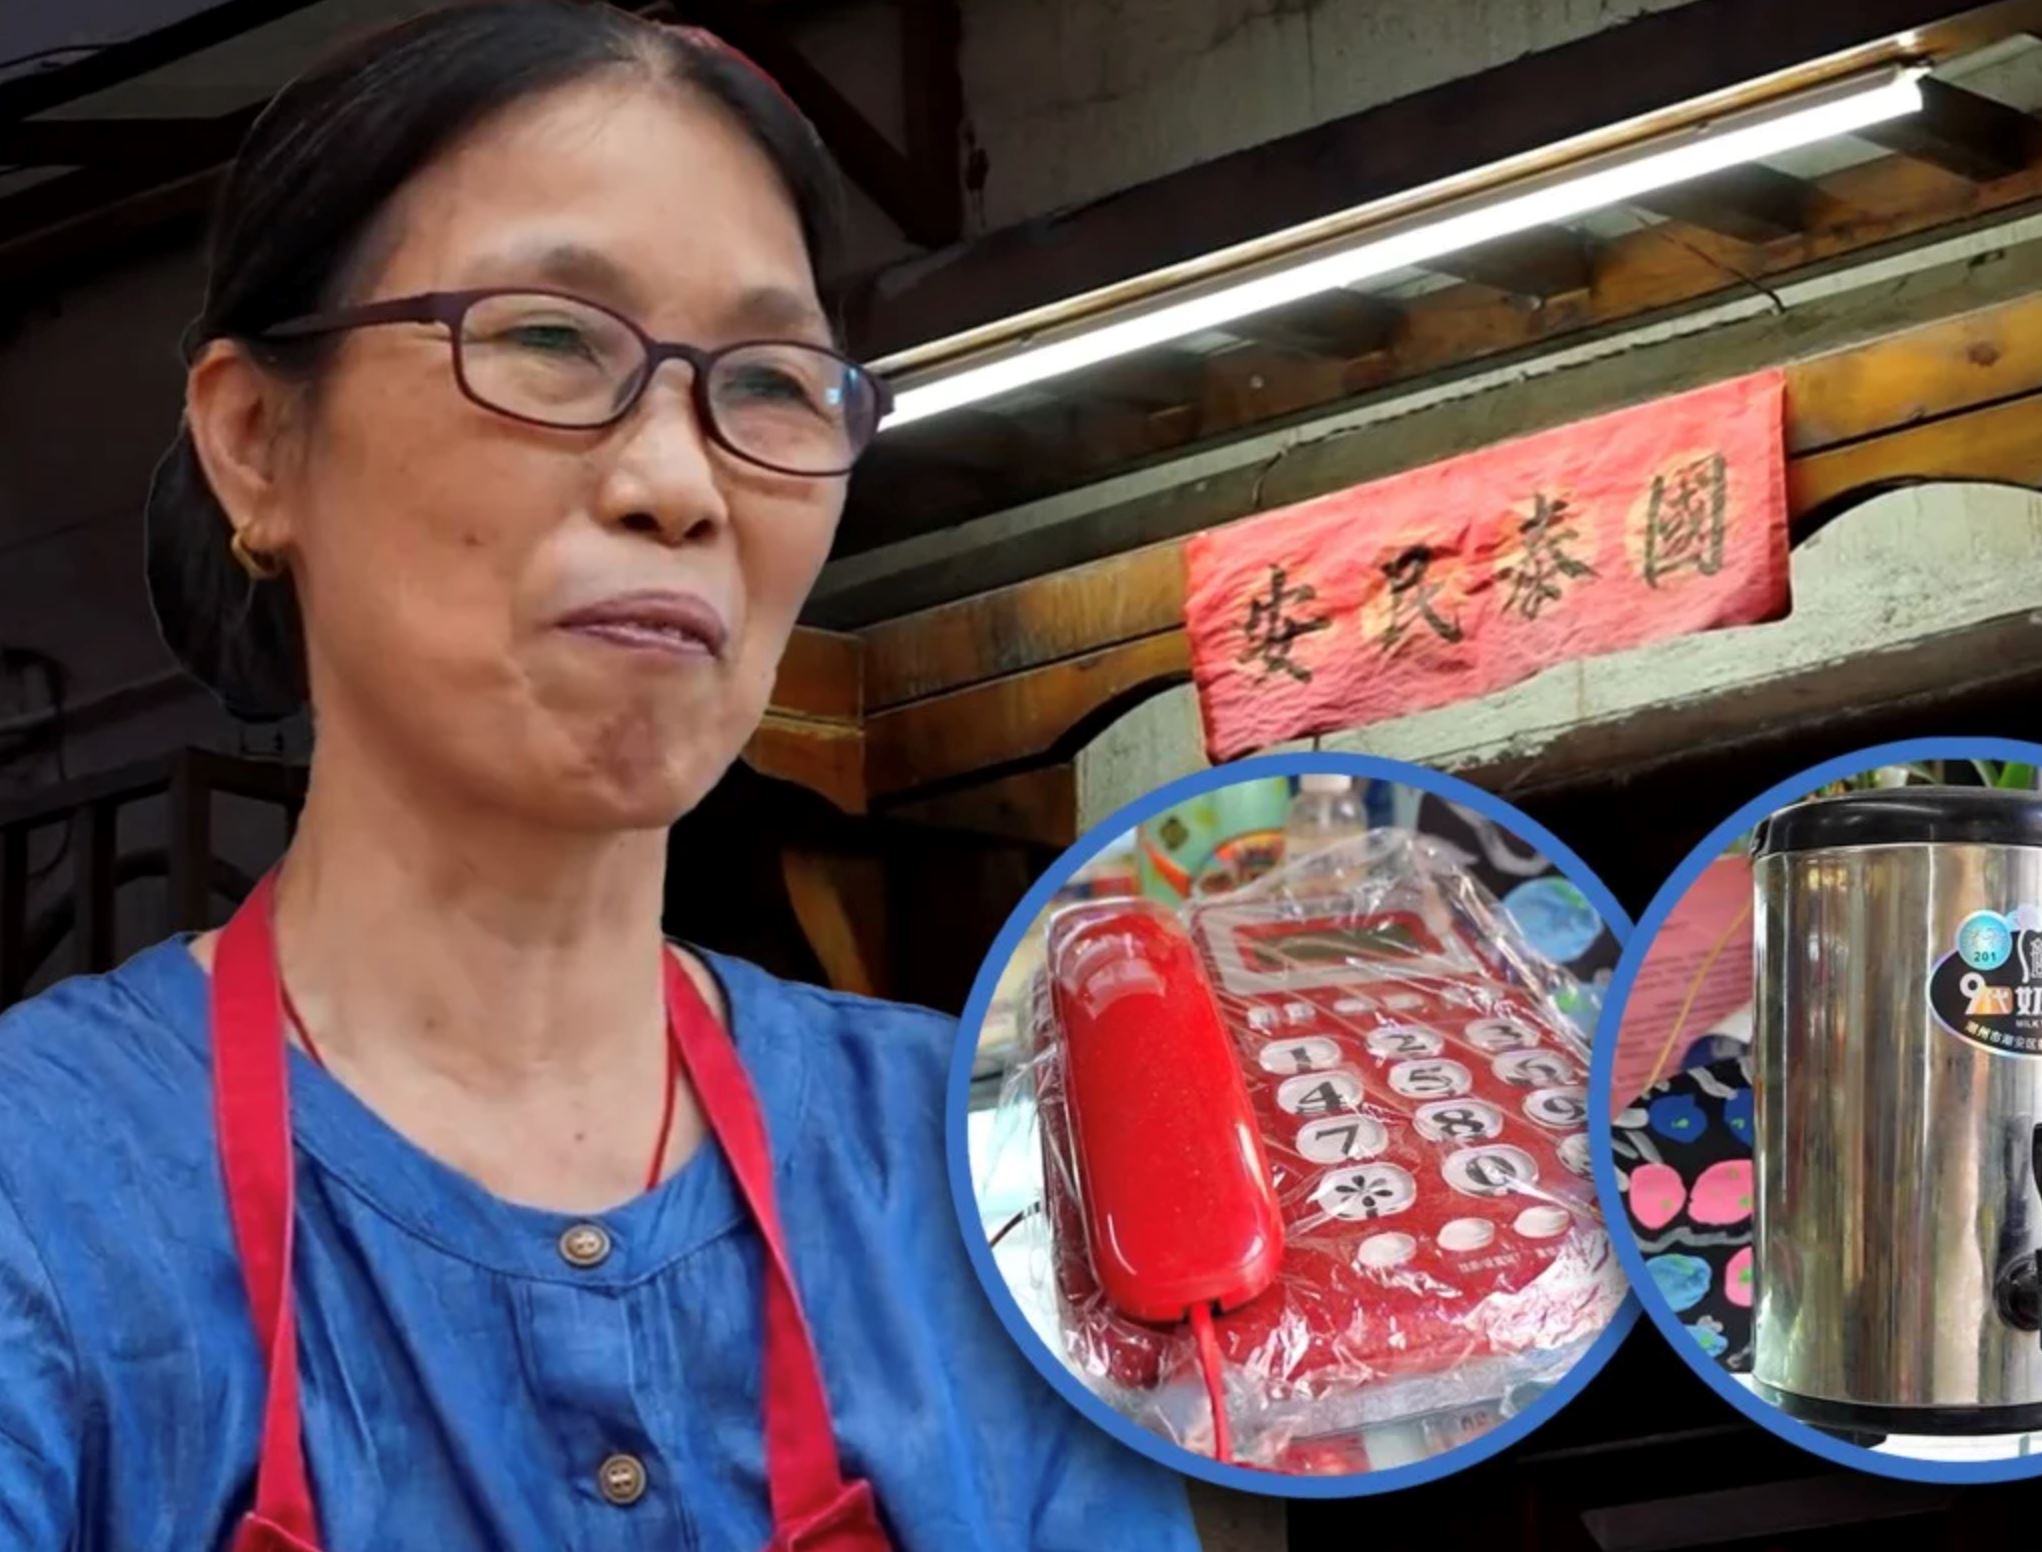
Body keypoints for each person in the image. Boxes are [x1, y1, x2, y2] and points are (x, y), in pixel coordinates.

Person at [0, 4, 1197, 1547]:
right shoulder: (46, 1193)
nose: (676, 483)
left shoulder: (982, 1184)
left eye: (769, 383)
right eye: (550, 343)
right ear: (255, 442)